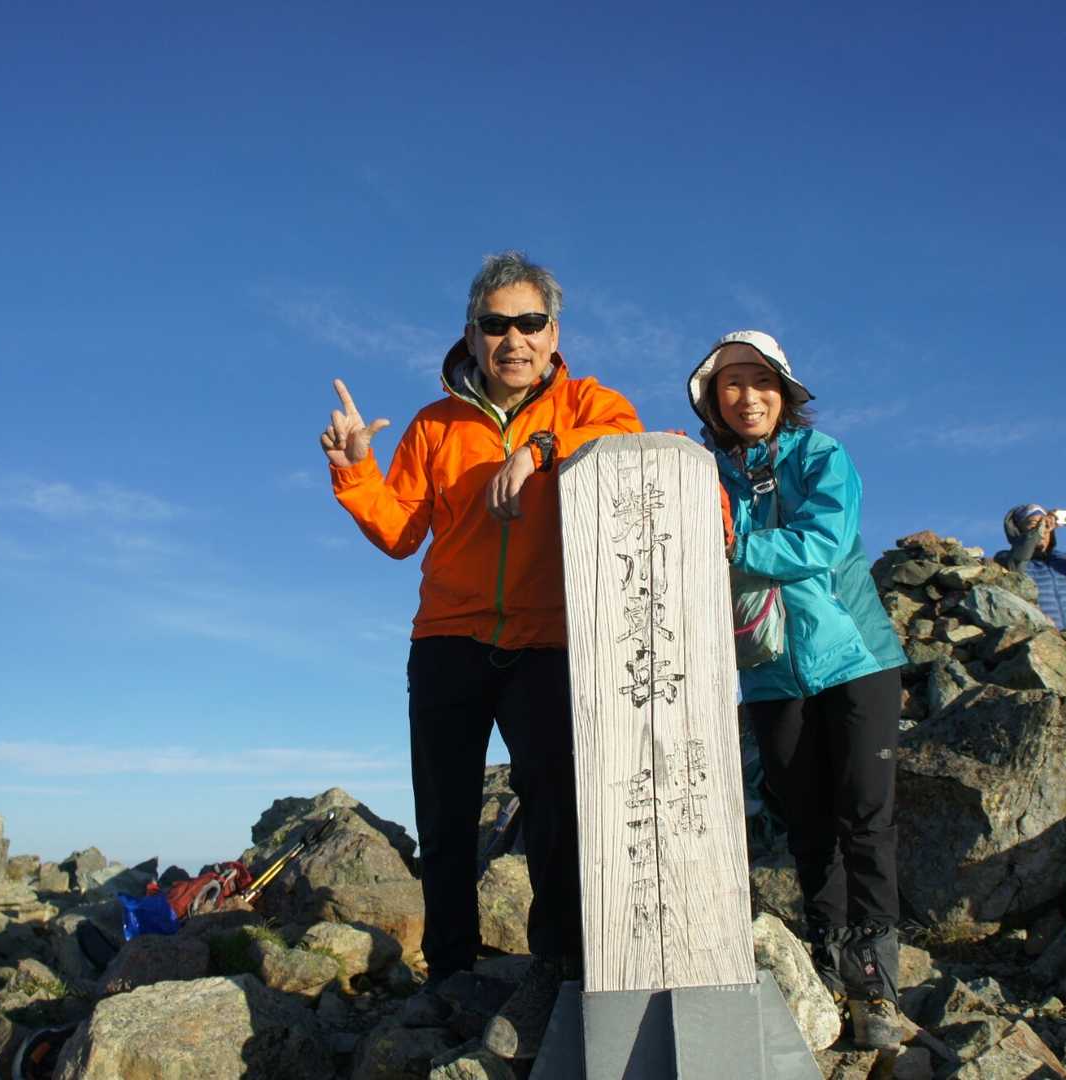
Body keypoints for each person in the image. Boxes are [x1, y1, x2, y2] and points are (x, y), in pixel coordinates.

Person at [320, 251, 642, 1060]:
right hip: (448, 641)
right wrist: (356, 470)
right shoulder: (435, 424)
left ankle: (558, 964)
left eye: (530, 323)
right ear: (471, 335)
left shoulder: (588, 402)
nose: (513, 339)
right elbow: (401, 532)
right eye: (496, 325)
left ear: (554, 333)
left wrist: (540, 448)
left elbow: (628, 444)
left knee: (558, 810)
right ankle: (450, 972)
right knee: (446, 817)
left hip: (548, 640)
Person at [686, 329, 908, 1051]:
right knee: (806, 821)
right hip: (768, 671)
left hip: (855, 660)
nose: (747, 397)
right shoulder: (705, 475)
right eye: (731, 384)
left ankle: (876, 981)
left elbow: (825, 540)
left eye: (762, 382)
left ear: (784, 393)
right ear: (713, 400)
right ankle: (830, 956)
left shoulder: (821, 455)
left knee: (864, 814)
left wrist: (734, 548)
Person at [995, 503, 1066, 629]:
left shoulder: (1062, 560)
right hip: (1037, 636)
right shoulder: (1005, 558)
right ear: (1018, 531)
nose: (1044, 529)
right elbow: (1017, 562)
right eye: (1033, 524)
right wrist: (1038, 530)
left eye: (1046, 524)